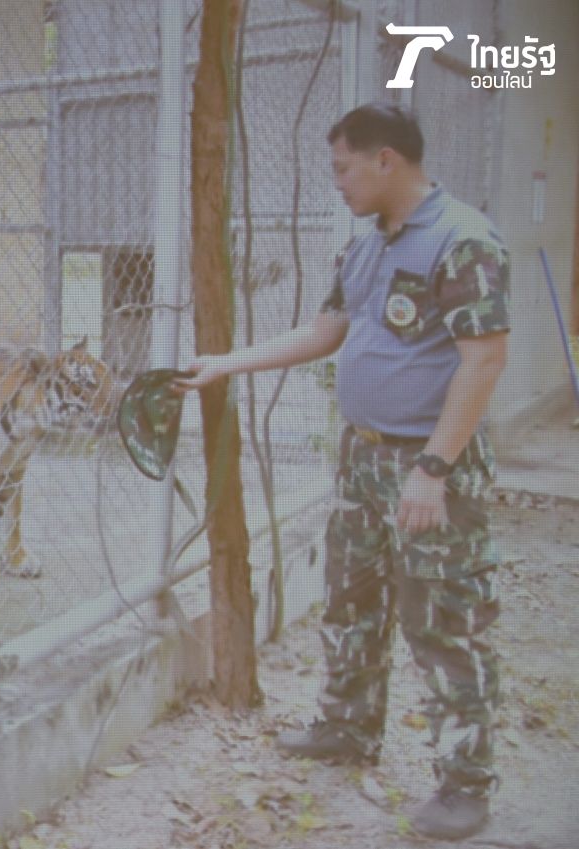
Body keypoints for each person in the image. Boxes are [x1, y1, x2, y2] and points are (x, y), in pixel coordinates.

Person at [177, 102, 509, 841]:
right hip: (363, 458)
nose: (337, 182)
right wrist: (227, 363)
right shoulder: (366, 247)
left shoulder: (462, 239)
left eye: (343, 167)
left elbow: (484, 359)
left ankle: (465, 782)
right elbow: (327, 330)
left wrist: (434, 467)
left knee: (443, 619)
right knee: (351, 599)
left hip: (428, 463)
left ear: (385, 160)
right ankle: (348, 726)